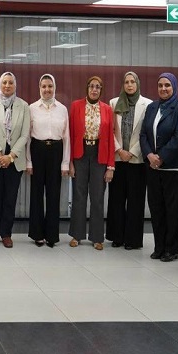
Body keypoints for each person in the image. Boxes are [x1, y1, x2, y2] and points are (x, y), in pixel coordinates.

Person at [140, 73, 178, 262]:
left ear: (174, 87)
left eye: (167, 85)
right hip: (153, 168)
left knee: (174, 211)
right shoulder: (152, 107)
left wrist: (161, 158)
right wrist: (149, 155)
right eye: (160, 85)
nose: (163, 88)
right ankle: (159, 247)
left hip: (174, 169)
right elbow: (143, 135)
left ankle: (172, 249)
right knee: (157, 209)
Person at [0, 72, 30, 248]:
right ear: (0, 85)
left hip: (14, 159)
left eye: (10, 83)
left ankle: (6, 234)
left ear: (15, 85)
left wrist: (10, 156)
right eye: (4, 82)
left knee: (10, 198)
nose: (7, 86)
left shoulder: (23, 106)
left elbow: (24, 135)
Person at [69, 76, 115, 250]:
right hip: (80, 154)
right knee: (79, 196)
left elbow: (110, 139)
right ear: (87, 88)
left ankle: (97, 237)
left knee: (97, 197)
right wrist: (70, 162)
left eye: (98, 87)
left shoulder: (107, 109)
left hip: (99, 155)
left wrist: (110, 167)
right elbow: (71, 135)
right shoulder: (76, 106)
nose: (94, 90)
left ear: (101, 90)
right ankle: (76, 235)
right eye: (92, 86)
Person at [107, 72, 152, 250]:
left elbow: (147, 133)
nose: (129, 85)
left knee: (136, 201)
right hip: (118, 158)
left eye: (133, 81)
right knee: (116, 199)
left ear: (137, 84)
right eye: (126, 82)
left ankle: (133, 240)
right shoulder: (113, 103)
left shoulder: (148, 104)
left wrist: (132, 152)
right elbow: (109, 130)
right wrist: (119, 149)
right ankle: (117, 237)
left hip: (137, 160)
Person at [26, 74, 70, 248]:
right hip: (37, 150)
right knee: (36, 194)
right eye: (44, 86)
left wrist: (65, 163)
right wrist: (29, 162)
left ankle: (52, 235)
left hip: (56, 152)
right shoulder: (32, 108)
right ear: (39, 88)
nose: (47, 89)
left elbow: (66, 138)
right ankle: (37, 234)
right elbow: (27, 137)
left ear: (54, 87)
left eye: (50, 86)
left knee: (54, 194)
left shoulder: (62, 109)